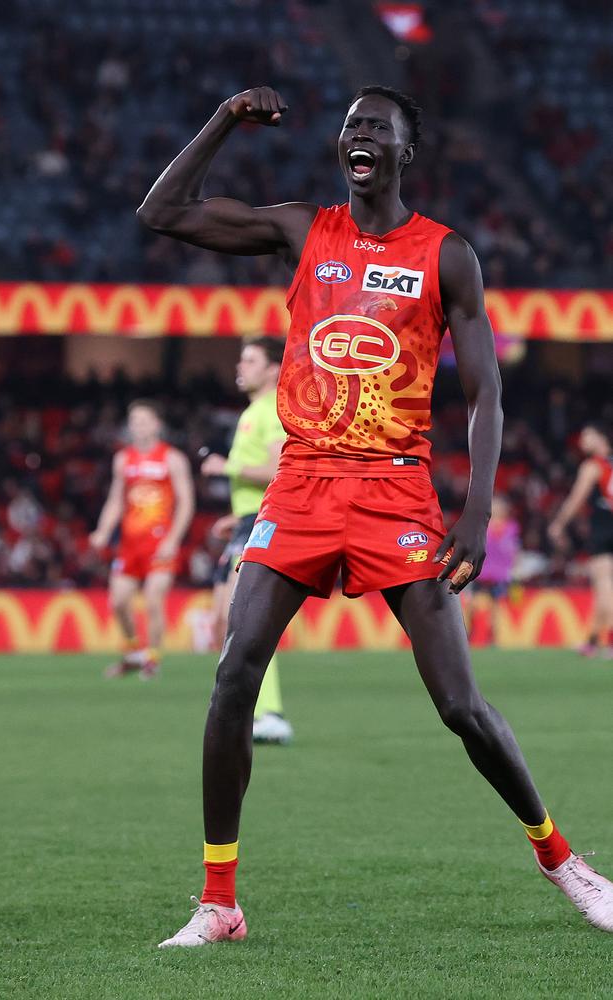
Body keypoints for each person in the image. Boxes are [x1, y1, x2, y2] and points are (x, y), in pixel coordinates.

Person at [138, 85, 613, 946]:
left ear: (404, 152)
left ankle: (564, 863)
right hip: (303, 484)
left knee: (461, 705)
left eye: (377, 129)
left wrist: (475, 513)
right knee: (234, 672)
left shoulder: (448, 255)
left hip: (396, 491)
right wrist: (222, 121)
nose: (360, 137)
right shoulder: (300, 230)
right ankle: (219, 900)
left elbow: (486, 393)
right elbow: (164, 211)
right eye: (351, 126)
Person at [203, 336, 294, 744]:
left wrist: (228, 466)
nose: (241, 366)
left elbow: (280, 468)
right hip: (247, 521)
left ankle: (268, 712)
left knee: (246, 621)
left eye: (250, 359)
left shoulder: (273, 409)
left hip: (263, 525)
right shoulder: (254, 411)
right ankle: (244, 708)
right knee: (226, 619)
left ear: (274, 368)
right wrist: (235, 515)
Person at [89, 400, 195, 678]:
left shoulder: (173, 459)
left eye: (144, 420)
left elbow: (186, 502)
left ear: (157, 425)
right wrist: (102, 530)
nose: (138, 426)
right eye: (134, 421)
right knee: (118, 602)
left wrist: (173, 539)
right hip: (129, 544)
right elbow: (115, 500)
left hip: (160, 543)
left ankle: (152, 658)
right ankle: (134, 652)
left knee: (153, 599)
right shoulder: (123, 459)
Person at [548, 422, 613, 657]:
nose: (582, 441)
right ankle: (593, 641)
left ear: (601, 438)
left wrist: (559, 524)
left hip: (603, 528)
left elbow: (577, 498)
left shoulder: (592, 466)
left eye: (588, 436)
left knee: (604, 586)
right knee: (603, 588)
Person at [464, 494, 520, 644]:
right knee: (470, 604)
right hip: (480, 572)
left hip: (499, 574)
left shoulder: (511, 528)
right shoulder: (482, 526)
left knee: (496, 606)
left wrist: (514, 568)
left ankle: (492, 637)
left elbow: (513, 551)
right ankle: (468, 633)